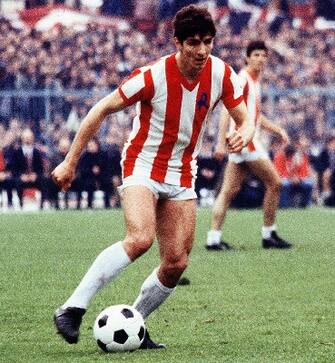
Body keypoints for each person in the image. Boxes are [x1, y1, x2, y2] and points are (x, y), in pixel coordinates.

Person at [52, 5, 254, 349]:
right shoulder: (151, 76)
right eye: (193, 42)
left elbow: (244, 118)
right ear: (177, 42)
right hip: (142, 163)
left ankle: (135, 324)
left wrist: (245, 132)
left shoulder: (221, 74)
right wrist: (70, 161)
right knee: (140, 238)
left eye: (208, 42)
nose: (202, 50)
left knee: (176, 262)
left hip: (182, 171)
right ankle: (72, 308)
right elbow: (100, 109)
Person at [206, 40, 292, 251]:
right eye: (256, 55)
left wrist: (278, 130)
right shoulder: (242, 80)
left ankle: (213, 239)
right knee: (275, 183)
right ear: (246, 58)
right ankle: (268, 234)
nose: (260, 59)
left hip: (242, 141)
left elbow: (255, 117)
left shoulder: (255, 82)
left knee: (228, 191)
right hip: (244, 142)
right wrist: (220, 142)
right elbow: (227, 109)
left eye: (263, 55)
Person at [274, 136, 315, 208]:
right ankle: (283, 205)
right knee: (285, 183)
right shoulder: (280, 156)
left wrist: (298, 178)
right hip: (285, 179)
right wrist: (290, 178)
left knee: (309, 183)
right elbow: (278, 172)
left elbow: (304, 172)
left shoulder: (302, 156)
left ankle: (305, 204)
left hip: (298, 180)